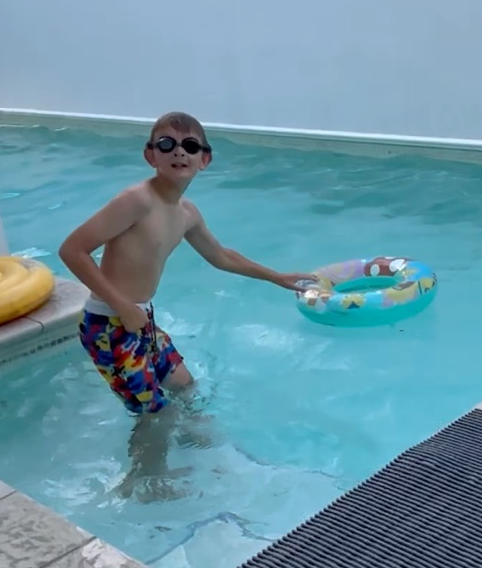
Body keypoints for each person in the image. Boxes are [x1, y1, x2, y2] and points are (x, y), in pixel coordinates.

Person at [59, 112, 312, 488]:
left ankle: (187, 438)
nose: (179, 152)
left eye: (190, 146)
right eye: (167, 144)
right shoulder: (135, 201)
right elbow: (72, 250)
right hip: (109, 326)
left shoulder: (186, 213)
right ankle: (147, 482)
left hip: (139, 320)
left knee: (183, 383)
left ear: (204, 159)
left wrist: (277, 277)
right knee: (154, 413)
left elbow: (221, 256)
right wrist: (122, 306)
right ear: (151, 155)